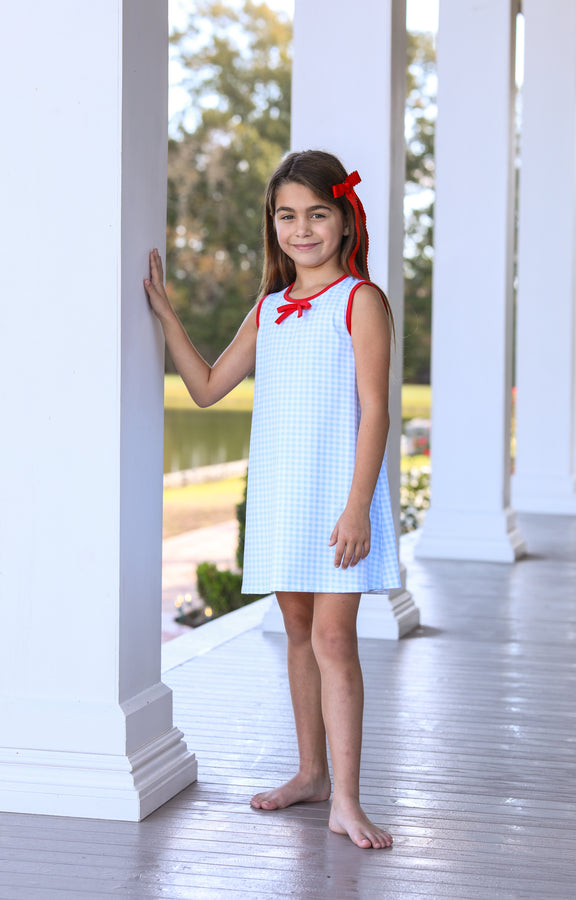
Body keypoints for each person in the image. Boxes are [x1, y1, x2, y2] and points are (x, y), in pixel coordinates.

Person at [144, 150, 401, 850]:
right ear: (272, 225)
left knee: (331, 639)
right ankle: (311, 774)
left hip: (339, 499)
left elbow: (375, 411)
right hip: (286, 499)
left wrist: (357, 507)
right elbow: (205, 386)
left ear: (345, 220)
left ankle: (347, 798)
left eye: (317, 214)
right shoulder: (270, 307)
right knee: (296, 635)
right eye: (287, 216)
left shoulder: (360, 300)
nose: (302, 229)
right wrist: (167, 316)